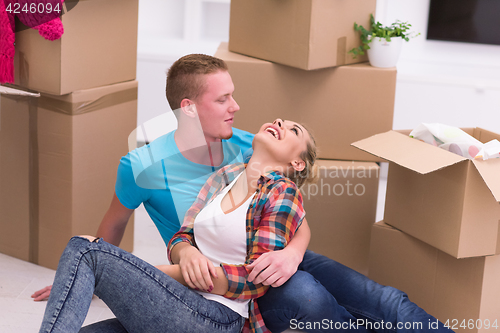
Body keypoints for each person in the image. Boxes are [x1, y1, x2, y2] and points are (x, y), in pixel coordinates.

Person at [34, 54, 453, 333]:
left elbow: (294, 213)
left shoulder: (248, 145)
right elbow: (121, 228)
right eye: (224, 98)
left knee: (377, 299)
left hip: (262, 263)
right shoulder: (153, 167)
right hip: (204, 275)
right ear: (190, 108)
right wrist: (85, 276)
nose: (236, 106)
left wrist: (290, 254)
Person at [38, 118, 317, 333]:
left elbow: (253, 281)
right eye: (279, 120)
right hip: (175, 301)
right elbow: (182, 236)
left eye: (294, 130)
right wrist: (187, 254)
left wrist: (159, 273)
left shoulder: (283, 193)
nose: (280, 123)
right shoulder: (224, 177)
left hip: (215, 318)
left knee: (86, 249)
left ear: (297, 163)